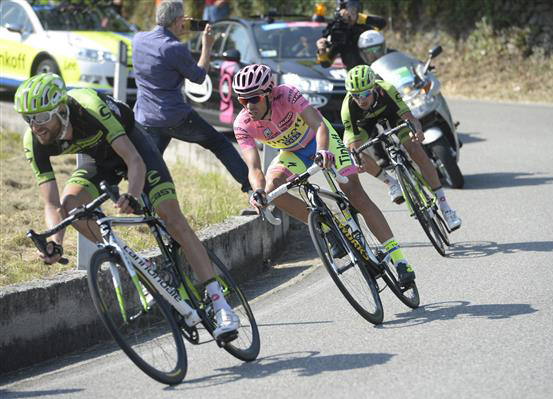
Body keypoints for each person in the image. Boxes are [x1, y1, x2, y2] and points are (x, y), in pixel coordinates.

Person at [15, 73, 239, 339]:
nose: (34, 126)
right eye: (28, 118)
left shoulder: (89, 107)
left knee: (171, 217)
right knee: (71, 204)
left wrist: (132, 195)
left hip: (135, 150)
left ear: (61, 110)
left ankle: (219, 303)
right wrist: (55, 241)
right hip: (98, 162)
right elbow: (52, 202)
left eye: (41, 118)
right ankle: (142, 266)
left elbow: (134, 161)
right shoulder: (33, 141)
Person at [231, 64, 417, 286]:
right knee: (272, 190)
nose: (249, 106)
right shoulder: (242, 124)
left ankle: (398, 259)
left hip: (322, 141)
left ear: (269, 93)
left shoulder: (287, 94)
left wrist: (322, 151)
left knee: (355, 194)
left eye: (254, 99)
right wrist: (258, 191)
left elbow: (319, 125)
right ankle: (328, 228)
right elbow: (254, 168)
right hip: (292, 153)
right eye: (243, 100)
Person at [132, 0, 251, 195]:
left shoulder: (138, 39)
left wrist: (176, 30)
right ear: (179, 21)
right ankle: (253, 188)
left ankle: (143, 205)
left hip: (146, 117)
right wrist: (207, 46)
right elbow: (199, 76)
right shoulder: (173, 48)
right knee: (219, 144)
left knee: (151, 165)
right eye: (182, 20)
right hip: (175, 117)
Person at [341, 65, 462, 230]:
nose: (361, 100)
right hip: (363, 124)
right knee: (355, 154)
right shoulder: (348, 108)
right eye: (356, 95)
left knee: (415, 150)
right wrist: (357, 160)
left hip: (391, 115)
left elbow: (410, 118)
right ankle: (391, 182)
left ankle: (445, 207)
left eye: (365, 94)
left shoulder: (387, 90)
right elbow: (353, 143)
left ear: (374, 87)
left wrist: (417, 131)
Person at [316, 0, 386, 70]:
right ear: (340, 11)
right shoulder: (338, 32)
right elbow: (326, 64)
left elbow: (382, 23)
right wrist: (322, 51)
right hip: (354, 74)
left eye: (354, 9)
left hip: (373, 70)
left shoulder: (363, 25)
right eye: (350, 9)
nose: (351, 13)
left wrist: (359, 17)